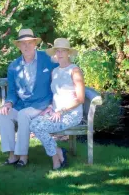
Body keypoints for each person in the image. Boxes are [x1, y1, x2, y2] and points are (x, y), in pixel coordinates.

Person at [0, 28, 58, 168]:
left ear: (35, 43)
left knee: (24, 115)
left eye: (29, 42)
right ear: (18, 46)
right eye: (23, 43)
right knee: (3, 115)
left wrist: (53, 104)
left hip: (40, 104)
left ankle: (23, 156)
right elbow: (12, 91)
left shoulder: (48, 60)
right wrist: (8, 104)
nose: (26, 46)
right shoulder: (14, 66)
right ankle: (12, 155)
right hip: (21, 104)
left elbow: (63, 72)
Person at [30, 38, 85, 171]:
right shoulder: (55, 71)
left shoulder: (75, 71)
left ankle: (56, 159)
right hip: (56, 111)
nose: (60, 53)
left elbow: (81, 98)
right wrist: (50, 107)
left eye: (63, 51)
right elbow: (57, 94)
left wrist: (61, 111)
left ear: (69, 53)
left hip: (71, 114)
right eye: (57, 51)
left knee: (40, 128)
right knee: (33, 124)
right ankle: (58, 151)